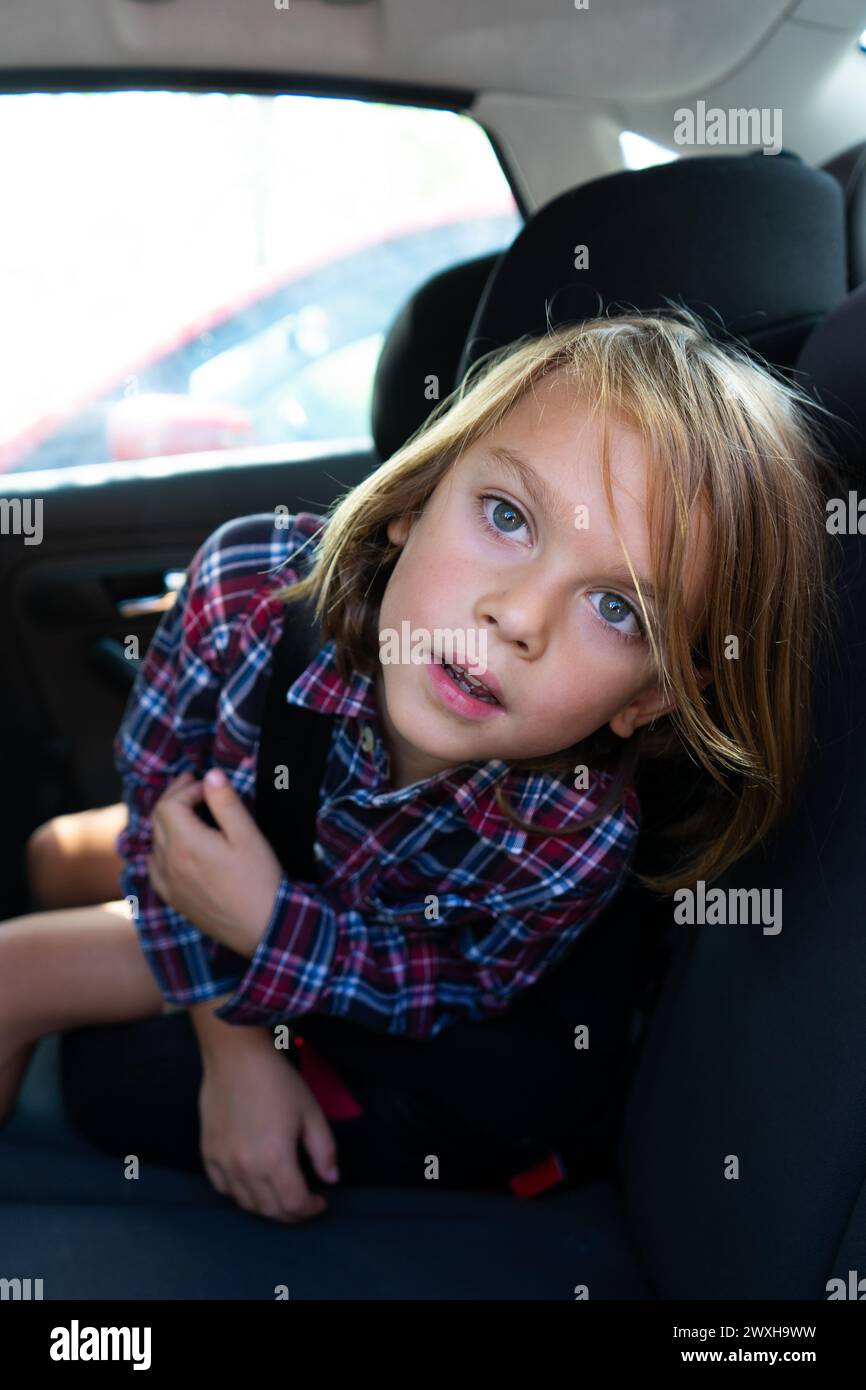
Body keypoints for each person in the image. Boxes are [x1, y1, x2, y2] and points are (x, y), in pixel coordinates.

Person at [3, 308, 842, 1225]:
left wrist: (265, 938)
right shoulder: (244, 593)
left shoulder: (573, 829)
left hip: (342, 979)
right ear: (413, 501)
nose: (519, 616)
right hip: (219, 886)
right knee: (53, 852)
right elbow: (158, 803)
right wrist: (234, 1032)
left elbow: (448, 985)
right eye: (508, 517)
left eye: (616, 608)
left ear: (646, 701)